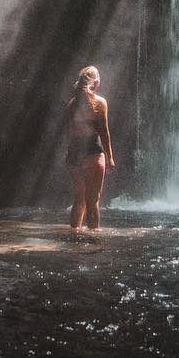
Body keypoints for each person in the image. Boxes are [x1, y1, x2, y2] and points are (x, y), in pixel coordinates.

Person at [65, 64, 115, 232]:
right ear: (95, 83)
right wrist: (110, 157)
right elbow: (104, 132)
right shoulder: (100, 103)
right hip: (92, 155)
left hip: (74, 157)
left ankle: (74, 235)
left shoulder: (72, 104)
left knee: (79, 199)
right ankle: (93, 240)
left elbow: (70, 133)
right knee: (93, 201)